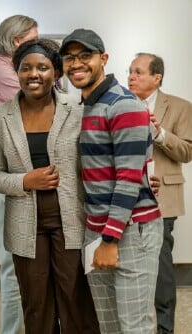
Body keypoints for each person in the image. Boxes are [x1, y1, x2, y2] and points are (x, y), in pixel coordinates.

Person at [0, 38, 100, 334]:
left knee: (76, 303)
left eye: (42, 67)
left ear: (56, 73)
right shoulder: (0, 118)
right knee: (36, 308)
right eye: (26, 68)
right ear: (17, 72)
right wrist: (25, 181)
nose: (33, 73)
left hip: (71, 222)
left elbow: (100, 159)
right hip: (26, 227)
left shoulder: (78, 109)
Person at [59, 29, 163, 333]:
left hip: (129, 231)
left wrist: (109, 239)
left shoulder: (124, 104)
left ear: (103, 59)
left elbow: (128, 178)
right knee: (110, 326)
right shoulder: (85, 106)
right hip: (96, 230)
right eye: (69, 58)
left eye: (85, 56)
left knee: (135, 327)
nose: (76, 64)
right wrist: (98, 236)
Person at [0, 14, 37, 334]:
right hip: (7, 182)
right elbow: (39, 106)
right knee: (14, 267)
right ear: (17, 41)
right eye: (34, 40)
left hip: (19, 180)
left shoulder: (7, 68)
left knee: (23, 266)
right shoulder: (2, 72)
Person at [128, 53, 192, 334]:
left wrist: (159, 133)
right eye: (130, 71)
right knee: (130, 268)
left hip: (163, 199)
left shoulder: (180, 107)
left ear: (157, 77)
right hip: (126, 198)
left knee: (162, 269)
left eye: (139, 72)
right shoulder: (120, 105)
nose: (131, 77)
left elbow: (187, 151)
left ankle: (165, 329)